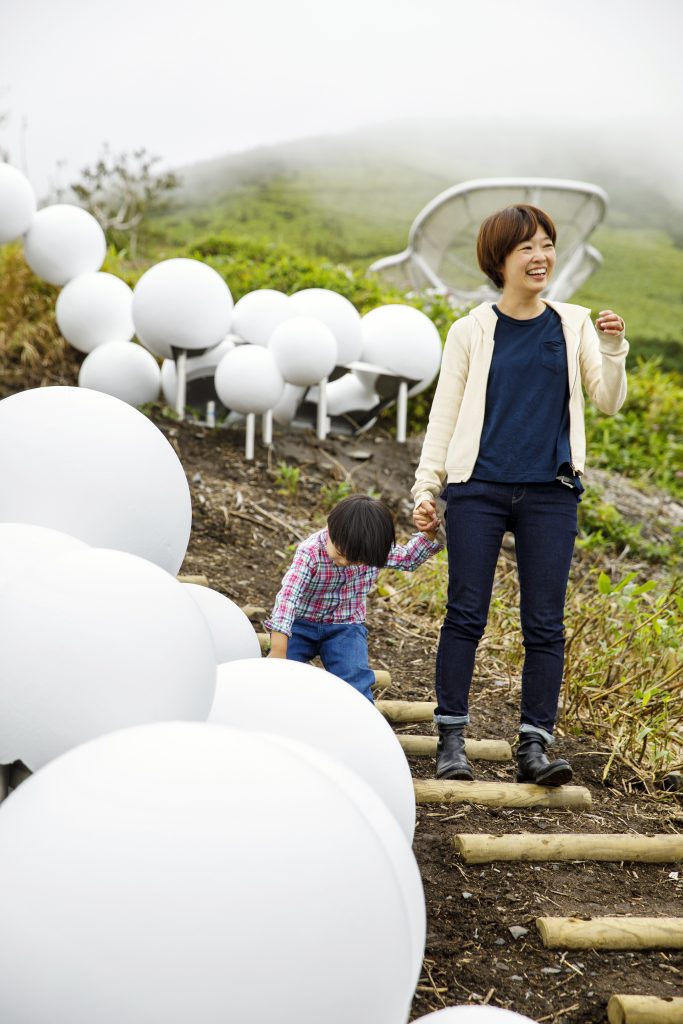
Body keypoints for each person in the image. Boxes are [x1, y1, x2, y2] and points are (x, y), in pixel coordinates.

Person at [412, 204, 628, 786]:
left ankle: (533, 747)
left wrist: (613, 349)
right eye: (527, 247)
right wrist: (426, 488)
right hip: (477, 488)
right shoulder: (470, 330)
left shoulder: (574, 322)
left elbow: (607, 401)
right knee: (465, 615)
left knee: (544, 624)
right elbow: (445, 415)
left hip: (551, 491)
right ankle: (451, 741)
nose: (541, 257)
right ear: (499, 260)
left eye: (548, 244)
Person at [266, 494, 442, 699]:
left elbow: (408, 559)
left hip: (345, 627)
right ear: (330, 529)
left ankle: (362, 720)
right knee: (278, 674)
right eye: (340, 553)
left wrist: (429, 534)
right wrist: (279, 649)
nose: (345, 562)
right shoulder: (310, 553)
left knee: (355, 680)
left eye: (356, 561)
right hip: (300, 625)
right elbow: (288, 597)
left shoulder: (371, 551)